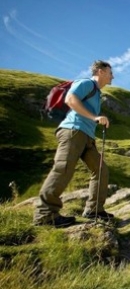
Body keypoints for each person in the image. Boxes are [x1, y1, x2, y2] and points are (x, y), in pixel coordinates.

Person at [33, 60, 115, 227]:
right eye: (110, 72)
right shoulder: (86, 83)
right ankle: (45, 215)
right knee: (63, 168)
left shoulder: (97, 94)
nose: (112, 76)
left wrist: (96, 120)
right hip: (73, 131)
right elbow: (70, 99)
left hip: (87, 137)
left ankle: (94, 211)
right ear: (100, 71)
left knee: (101, 170)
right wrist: (94, 117)